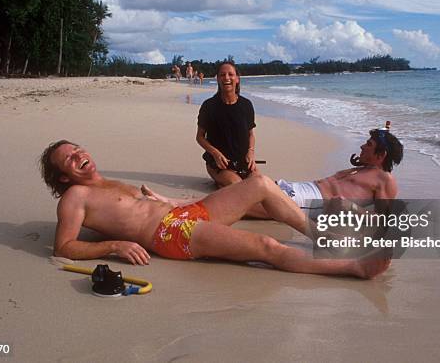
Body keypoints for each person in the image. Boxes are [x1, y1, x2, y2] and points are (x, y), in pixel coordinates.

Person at [39, 140, 391, 279]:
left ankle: (319, 236)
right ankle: (355, 268)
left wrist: (164, 201)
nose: (78, 155)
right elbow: (64, 248)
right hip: (171, 235)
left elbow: (133, 211)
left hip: (185, 214)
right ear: (62, 176)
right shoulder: (75, 199)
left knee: (261, 184)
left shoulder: (108, 183)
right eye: (68, 158)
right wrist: (114, 246)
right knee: (265, 248)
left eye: (77, 149)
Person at [249, 126, 403, 219]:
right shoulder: (363, 169)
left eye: (369, 144)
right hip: (296, 188)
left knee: (244, 203)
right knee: (243, 189)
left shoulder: (385, 180)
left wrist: (351, 208)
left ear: (381, 155)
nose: (362, 146)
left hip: (308, 203)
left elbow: (382, 222)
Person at [196, 61, 258, 187]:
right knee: (238, 187)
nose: (227, 78)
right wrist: (215, 154)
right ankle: (221, 183)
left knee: (260, 185)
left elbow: (251, 134)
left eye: (231, 74)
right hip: (219, 164)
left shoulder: (246, 105)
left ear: (237, 79)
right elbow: (200, 137)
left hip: (243, 163)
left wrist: (250, 152)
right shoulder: (209, 106)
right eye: (222, 75)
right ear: (218, 79)